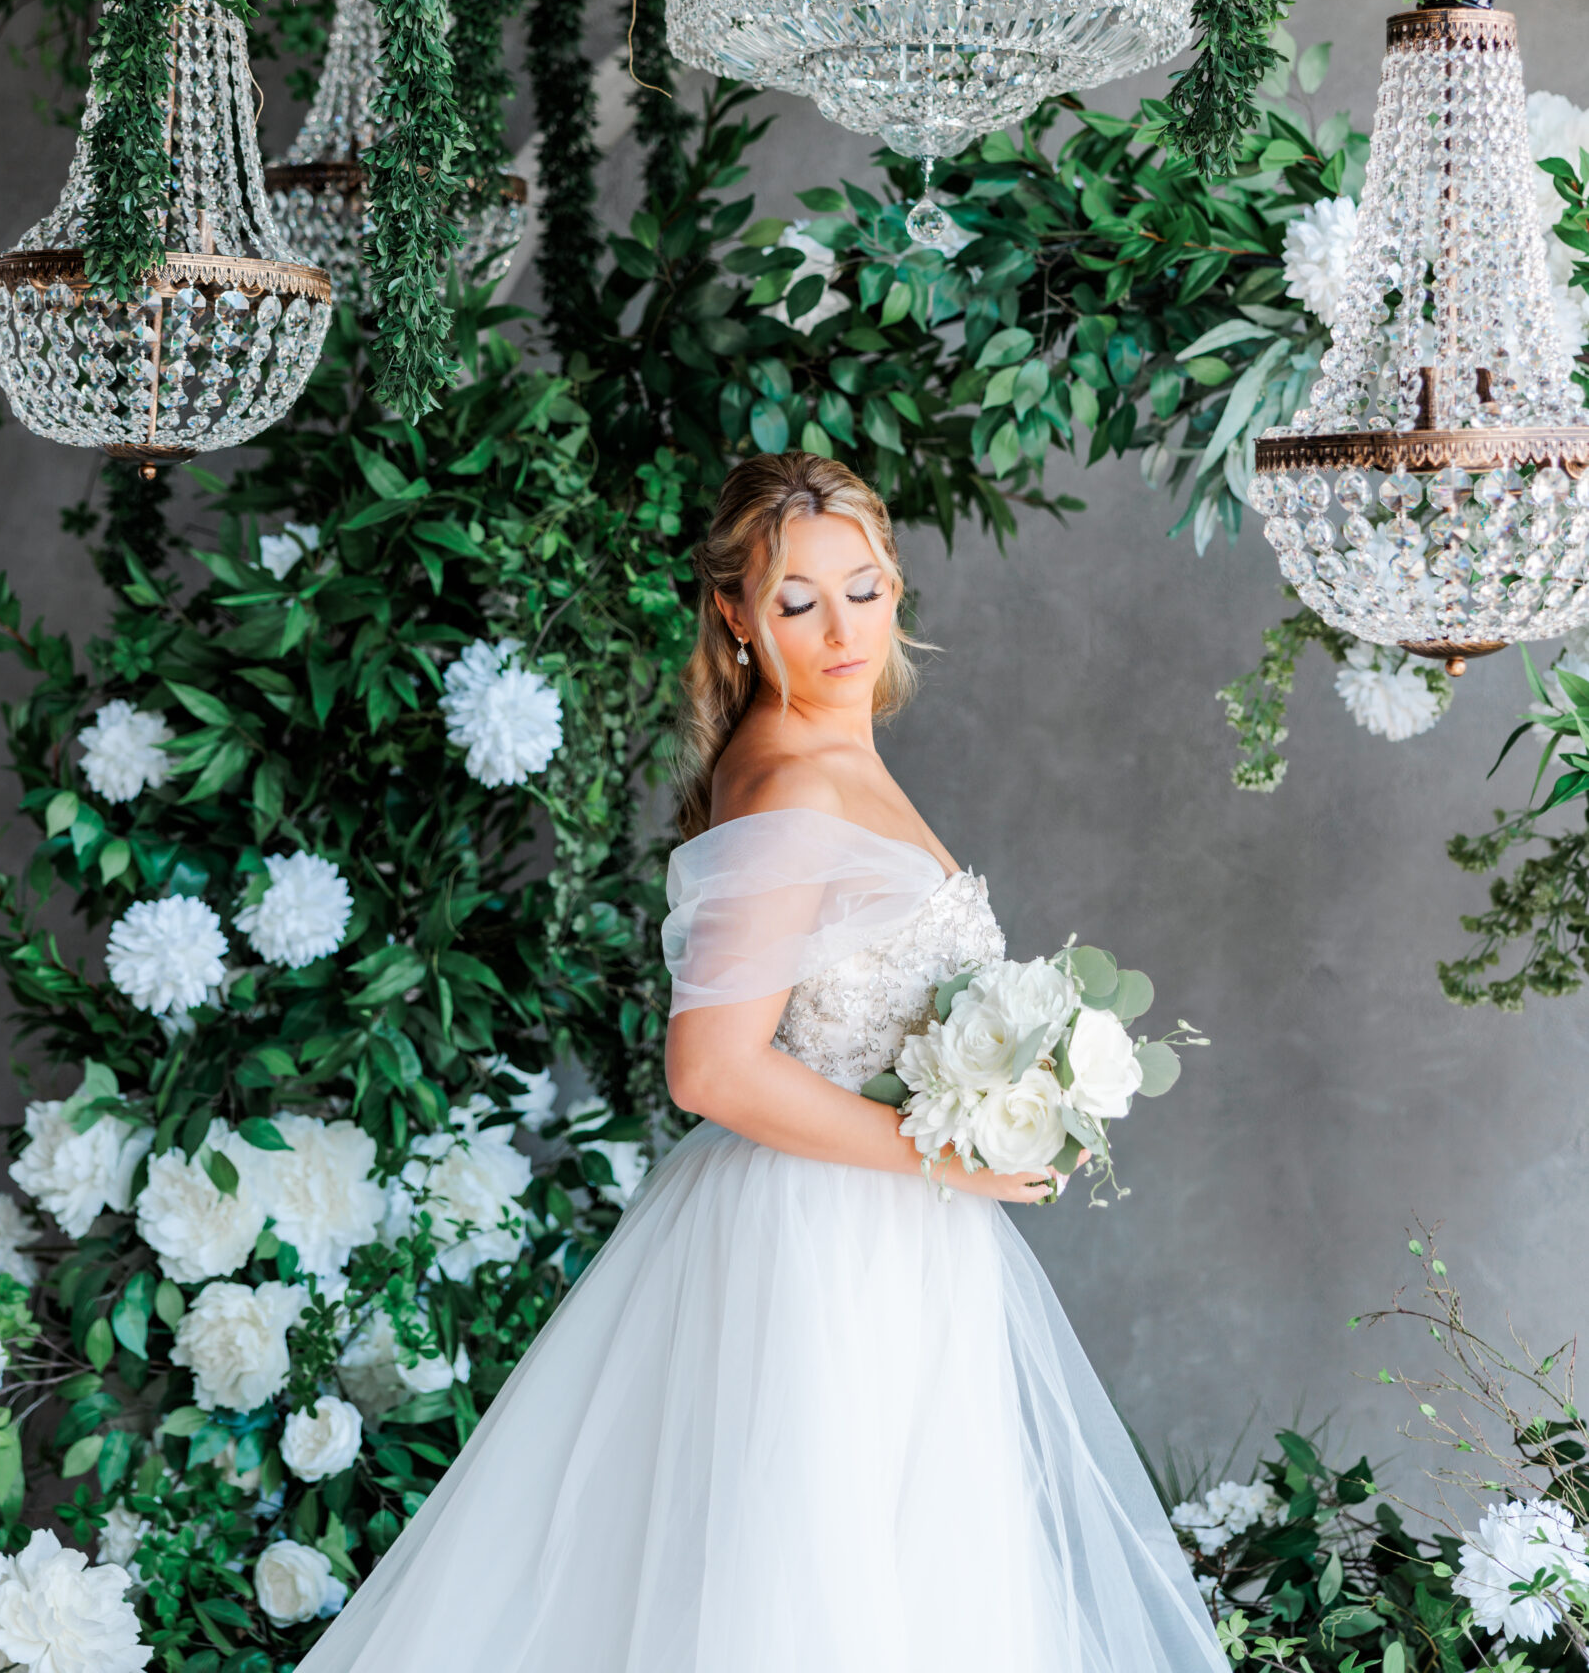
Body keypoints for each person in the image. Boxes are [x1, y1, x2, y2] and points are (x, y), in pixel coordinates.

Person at [301, 451, 1224, 1673]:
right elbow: (711, 1069)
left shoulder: (825, 749)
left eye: (863, 586)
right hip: (823, 1247)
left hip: (885, 1233)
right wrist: (949, 1149)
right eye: (798, 601)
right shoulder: (791, 777)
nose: (841, 628)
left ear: (896, 581)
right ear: (737, 615)